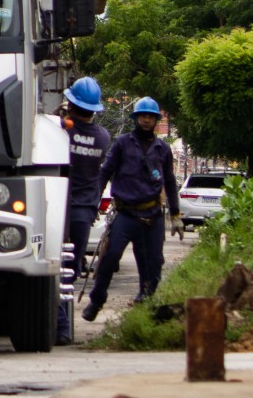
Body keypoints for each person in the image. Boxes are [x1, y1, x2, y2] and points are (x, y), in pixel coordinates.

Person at [82, 97, 180, 321]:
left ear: (156, 120)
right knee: (110, 257)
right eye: (142, 116)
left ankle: (144, 303)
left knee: (153, 265)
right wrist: (94, 202)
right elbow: (104, 173)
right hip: (126, 214)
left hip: (152, 216)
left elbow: (170, 182)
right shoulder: (122, 144)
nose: (146, 120)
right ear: (135, 118)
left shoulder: (163, 149)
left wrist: (175, 214)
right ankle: (97, 301)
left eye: (151, 117)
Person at [57, 79, 111, 343]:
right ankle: (62, 327)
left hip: (61, 206)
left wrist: (61, 115)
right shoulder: (103, 137)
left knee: (56, 265)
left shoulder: (62, 130)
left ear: (72, 105)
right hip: (84, 209)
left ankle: (62, 326)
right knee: (71, 268)